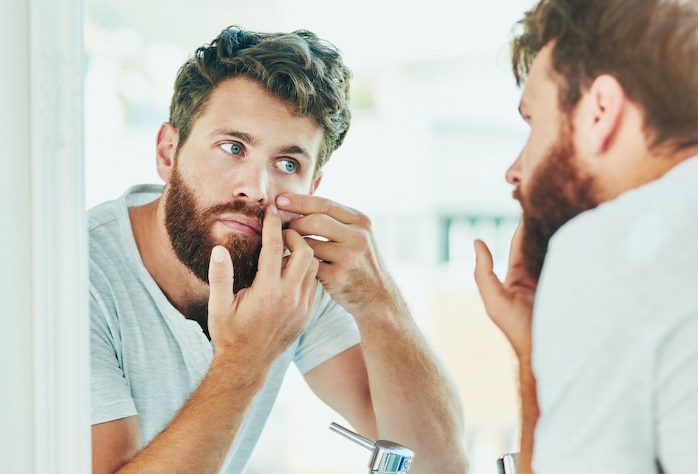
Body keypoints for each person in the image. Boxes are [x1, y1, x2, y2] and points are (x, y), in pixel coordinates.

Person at [88, 26, 467, 474]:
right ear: (169, 152)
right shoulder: (79, 276)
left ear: (314, 187)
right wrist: (245, 359)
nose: (256, 188)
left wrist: (379, 301)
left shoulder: (292, 269)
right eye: (233, 148)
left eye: (288, 164)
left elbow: (437, 464)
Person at [473, 1, 698, 473]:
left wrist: (531, 363)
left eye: (534, 122)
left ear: (601, 109)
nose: (514, 171)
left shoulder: (613, 246)